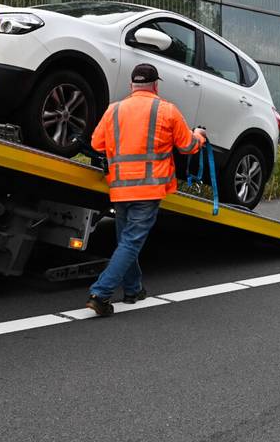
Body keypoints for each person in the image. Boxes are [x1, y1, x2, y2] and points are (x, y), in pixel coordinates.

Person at [85, 63, 205, 317]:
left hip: (119, 189)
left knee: (126, 241)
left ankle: (133, 289)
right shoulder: (167, 110)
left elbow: (96, 143)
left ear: (132, 86)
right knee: (130, 243)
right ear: (155, 85)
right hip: (148, 189)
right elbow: (187, 146)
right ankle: (100, 293)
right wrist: (200, 136)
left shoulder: (113, 110)